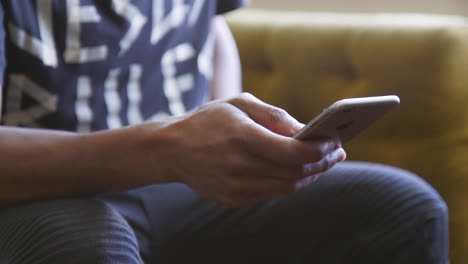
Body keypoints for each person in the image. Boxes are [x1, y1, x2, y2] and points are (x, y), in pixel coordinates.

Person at [0, 1, 449, 263]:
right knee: (86, 242)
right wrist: (166, 149)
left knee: (404, 207)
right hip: (36, 192)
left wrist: (224, 115)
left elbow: (211, 28)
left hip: (172, 184)